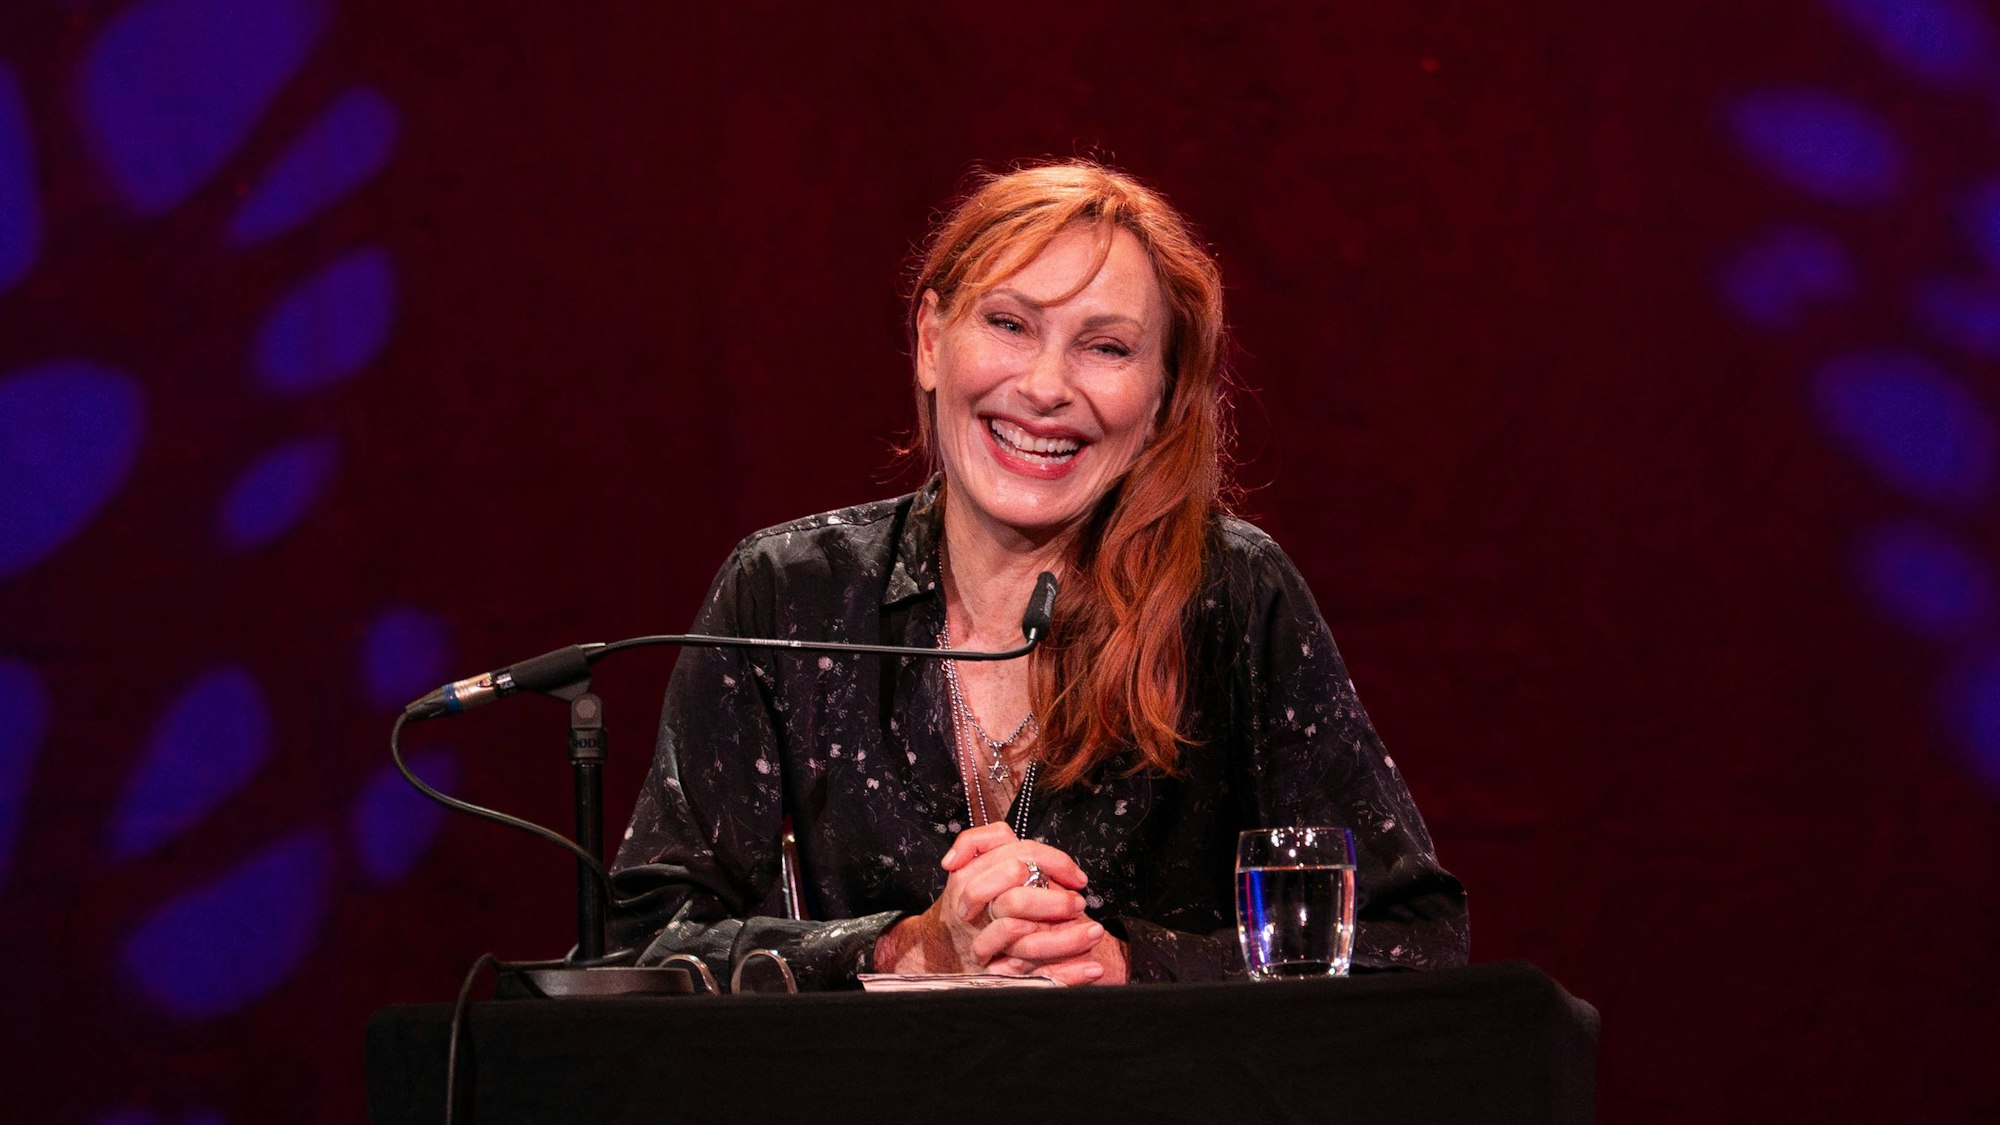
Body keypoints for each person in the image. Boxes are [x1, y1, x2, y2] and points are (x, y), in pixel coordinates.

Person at [609, 160, 1468, 988]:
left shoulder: (1232, 594)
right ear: (931, 342)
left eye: (1105, 347)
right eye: (1010, 324)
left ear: (1163, 397)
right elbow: (644, 947)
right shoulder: (789, 591)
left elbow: (1414, 936)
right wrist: (904, 947)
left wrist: (1135, 964)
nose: (1046, 387)